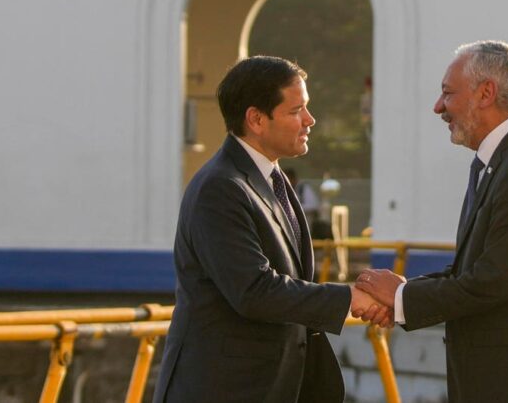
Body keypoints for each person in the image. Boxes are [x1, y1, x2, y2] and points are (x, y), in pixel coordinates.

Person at [356, 41, 508, 402]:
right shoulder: (498, 162)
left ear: (486, 93)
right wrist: (403, 292)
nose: (438, 107)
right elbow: (474, 271)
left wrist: (402, 296)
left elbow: (494, 280)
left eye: (448, 93)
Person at [154, 56, 388, 403]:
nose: (309, 120)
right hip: (225, 389)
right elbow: (253, 290)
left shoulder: (271, 179)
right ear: (256, 120)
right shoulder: (220, 187)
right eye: (296, 111)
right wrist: (349, 297)